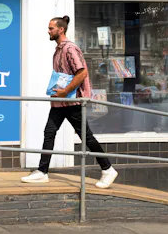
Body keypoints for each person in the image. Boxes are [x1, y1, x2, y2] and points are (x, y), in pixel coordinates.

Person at [21, 16, 118, 188]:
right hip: (60, 102)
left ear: (61, 29)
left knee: (86, 137)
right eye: (48, 28)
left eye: (51, 28)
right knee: (49, 132)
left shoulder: (70, 49)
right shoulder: (58, 50)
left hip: (72, 102)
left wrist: (65, 91)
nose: (48, 31)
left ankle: (108, 169)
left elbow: (82, 73)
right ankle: (42, 171)